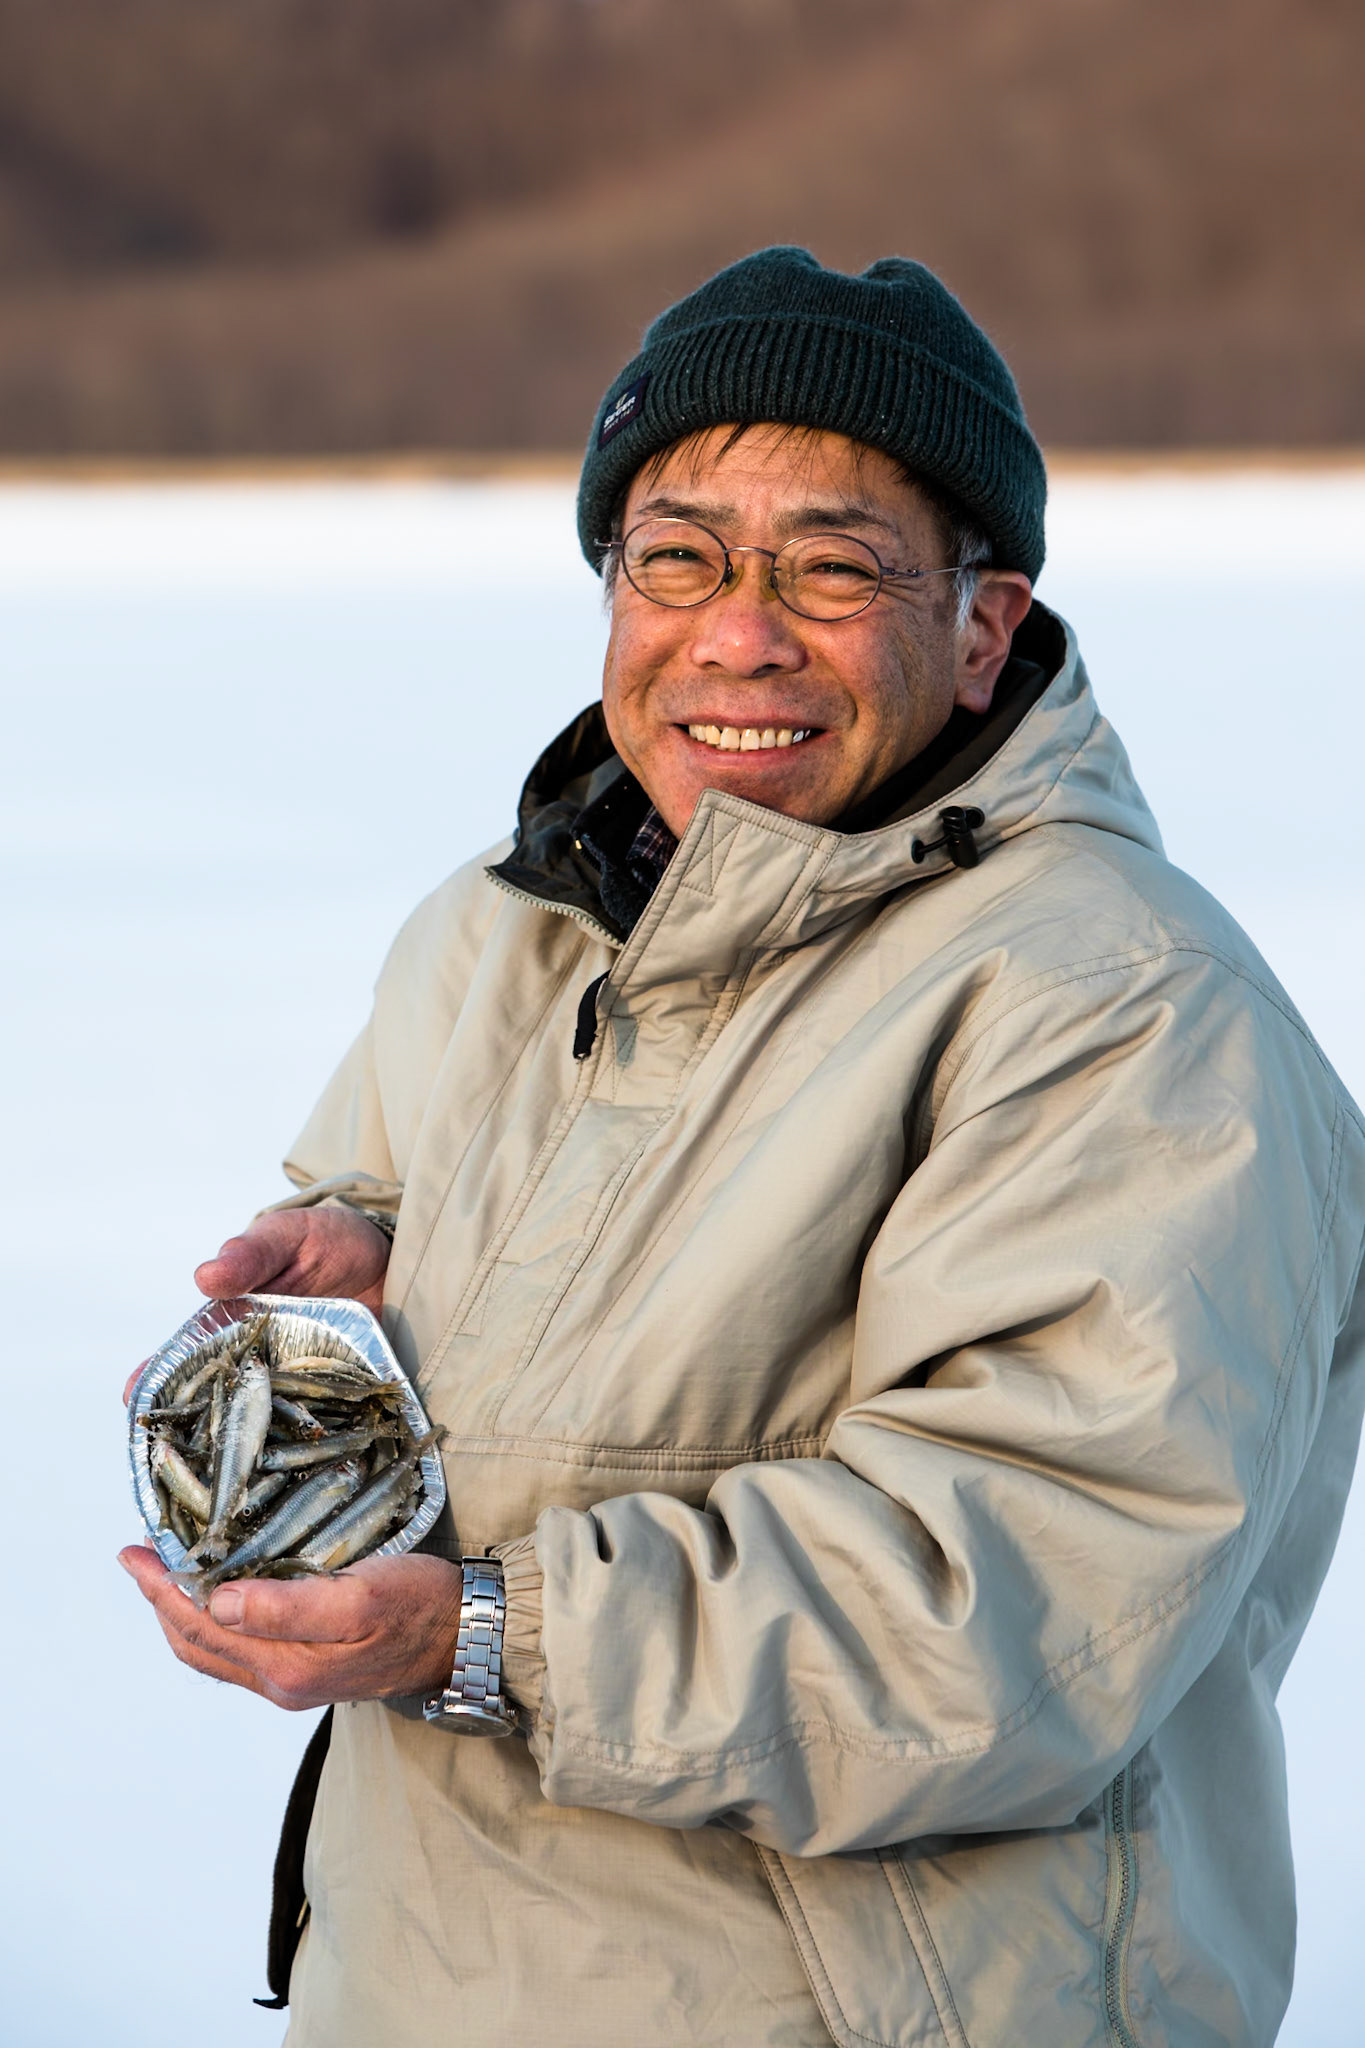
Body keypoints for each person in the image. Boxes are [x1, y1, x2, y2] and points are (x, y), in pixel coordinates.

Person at [120, 247, 1365, 2048]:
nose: (737, 631)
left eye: (832, 568)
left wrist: (484, 1632)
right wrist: (367, 1271)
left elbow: (1016, 1613)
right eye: (677, 555)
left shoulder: (1126, 1011)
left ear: (980, 627)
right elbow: (419, 1205)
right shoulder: (505, 926)